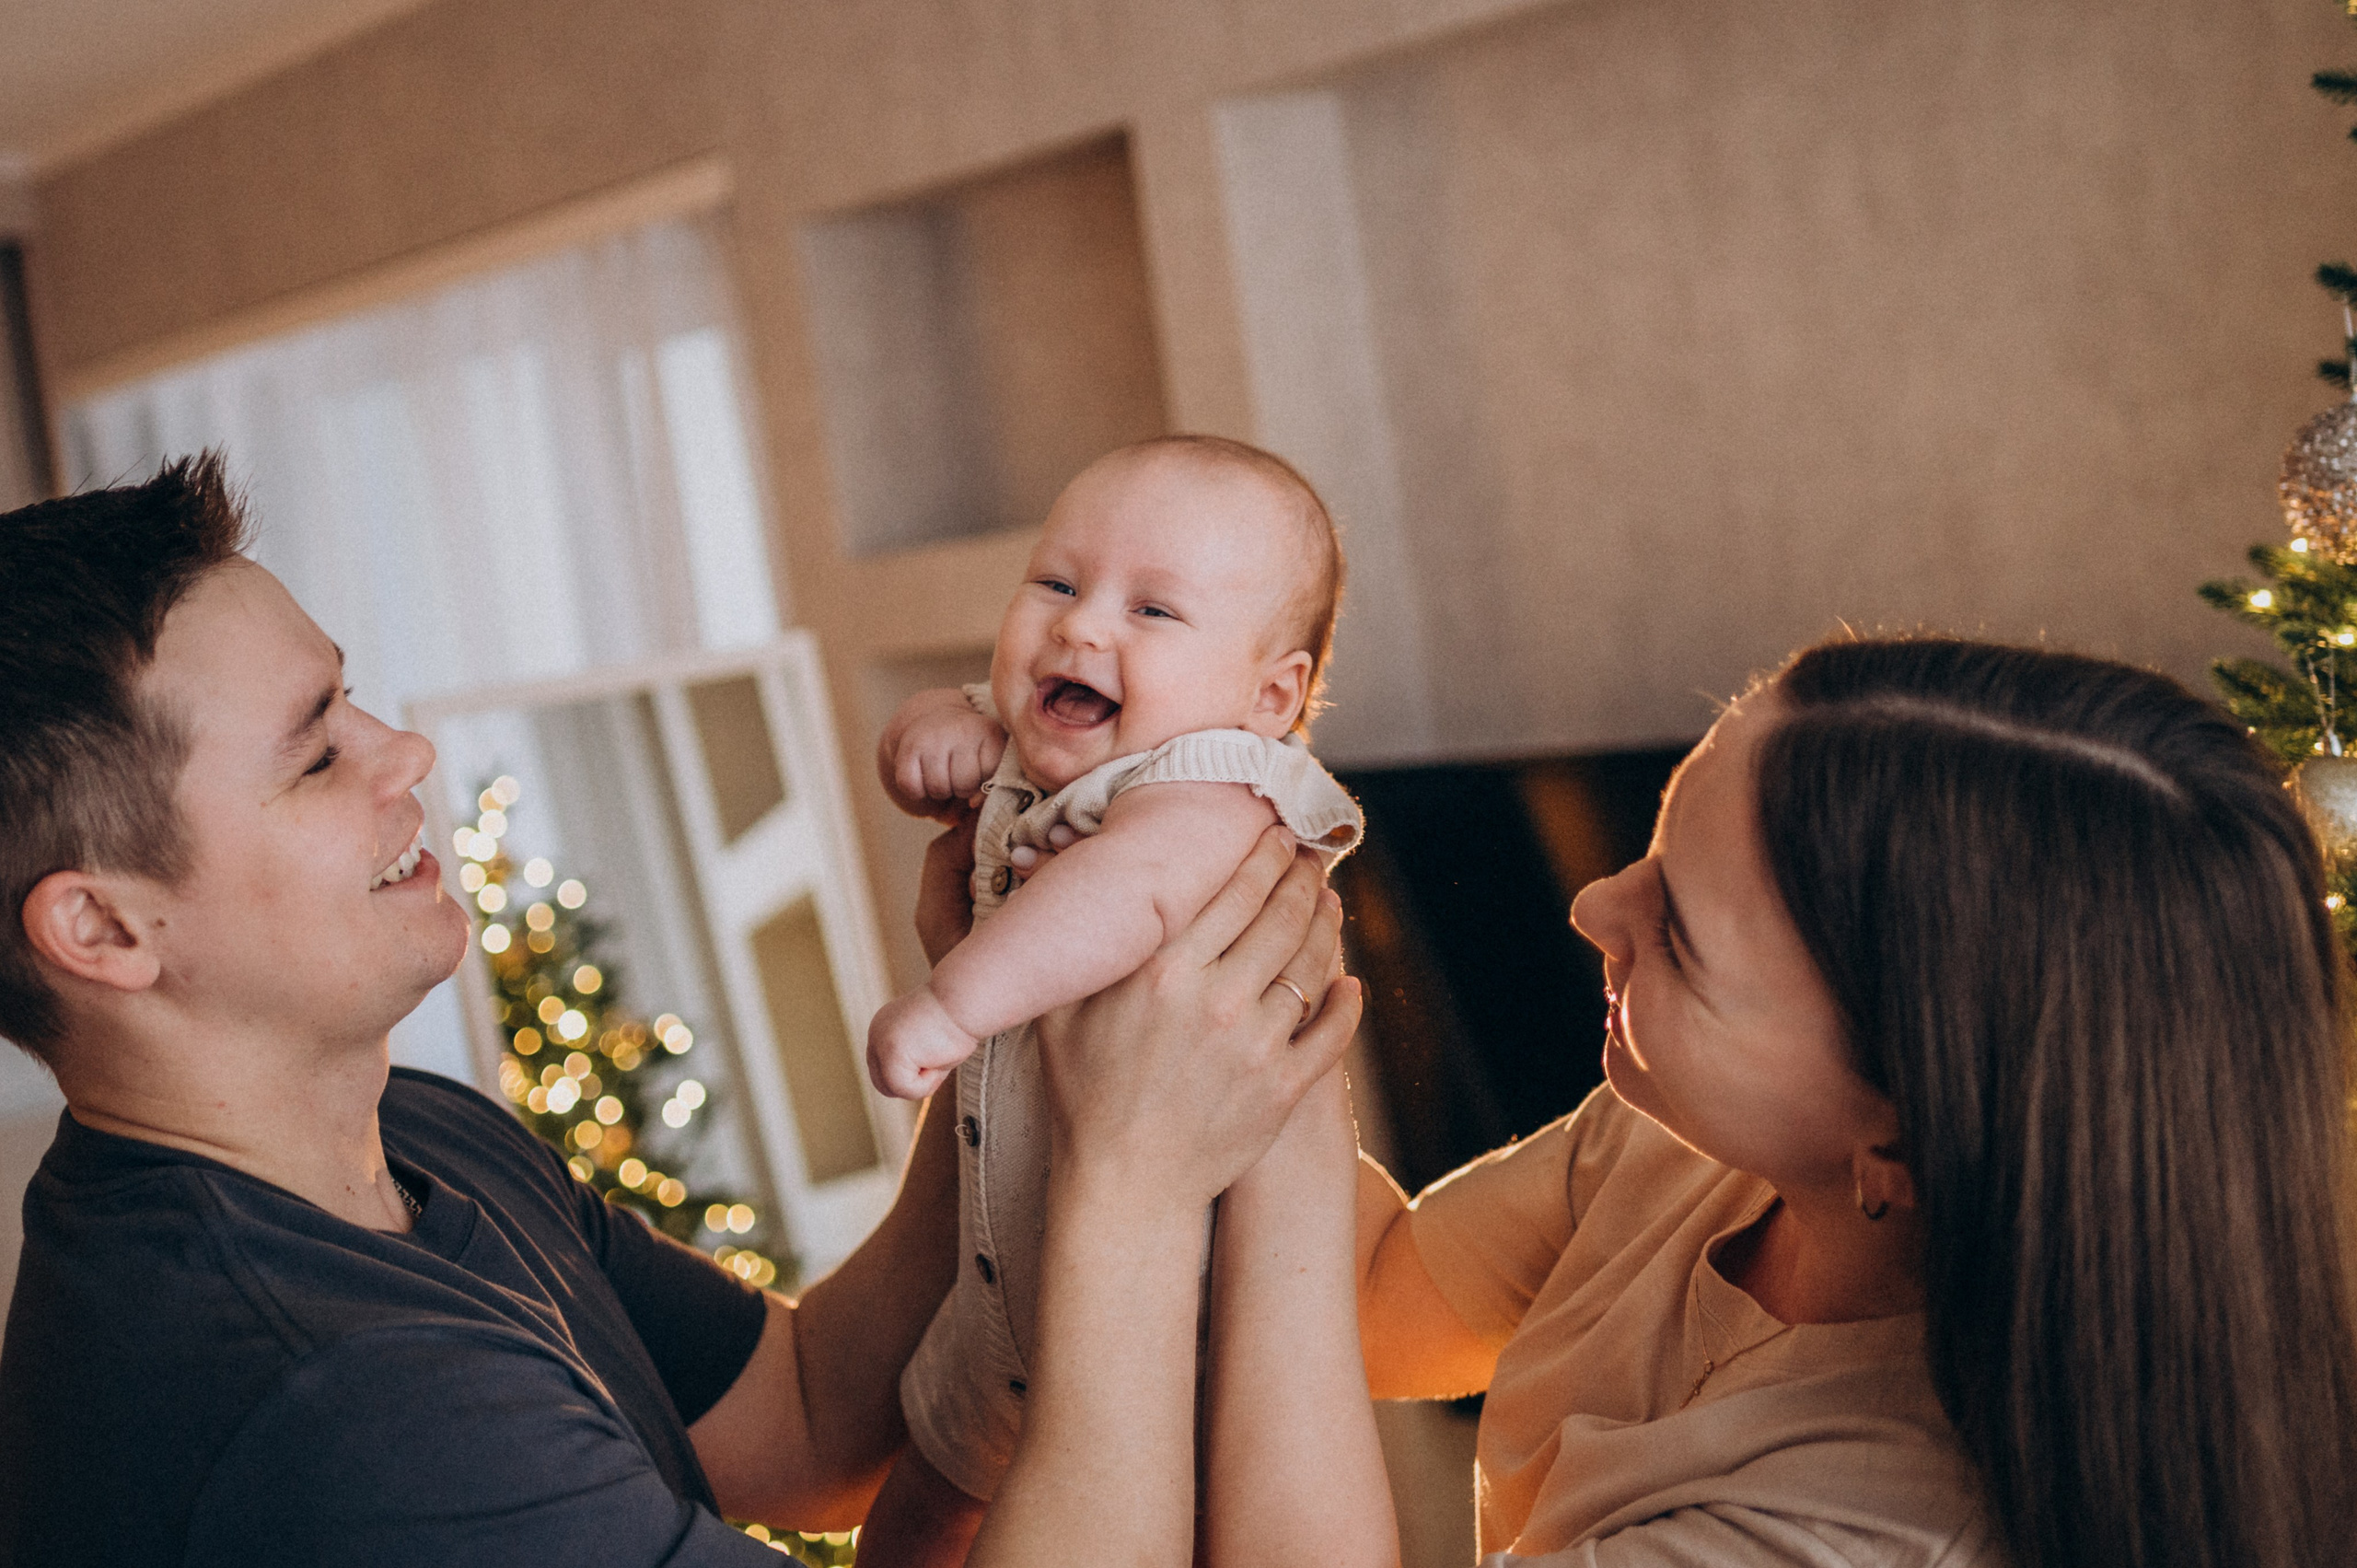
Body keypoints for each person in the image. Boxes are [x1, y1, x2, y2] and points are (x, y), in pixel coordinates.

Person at [0, 455, 1359, 1566]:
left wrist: (1012, 1026)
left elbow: (809, 1410)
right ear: (105, 927)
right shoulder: (341, 1408)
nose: (402, 748)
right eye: (314, 751)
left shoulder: (413, 1129)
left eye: (350, 693)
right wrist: (1132, 1184)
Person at [1210, 636, 2357, 1568]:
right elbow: (1369, 1300)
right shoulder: (1687, 1143)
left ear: (1902, 1135)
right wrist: (1220, 885)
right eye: (1652, 848)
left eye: (1679, 937)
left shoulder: (1861, 1533)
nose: (1595, 905)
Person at [856, 436, 1364, 1566]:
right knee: (910, 1513)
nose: (1083, 626)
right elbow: (941, 748)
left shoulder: (1220, 787)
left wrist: (952, 1004)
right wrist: (925, 737)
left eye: (1155, 611)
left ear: (1268, 695)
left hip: (1159, 1334)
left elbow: (1123, 898)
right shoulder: (1061, 759)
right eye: (1058, 583)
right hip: (1006, 1299)